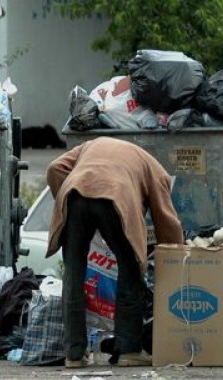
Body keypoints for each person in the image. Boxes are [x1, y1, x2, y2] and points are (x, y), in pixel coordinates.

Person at [45, 137, 183, 368]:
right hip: (115, 198)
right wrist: (176, 253)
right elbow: (165, 219)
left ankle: (74, 353)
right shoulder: (156, 170)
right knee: (130, 270)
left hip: (74, 194)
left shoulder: (92, 144)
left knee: (73, 275)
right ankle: (128, 350)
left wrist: (64, 198)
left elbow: (54, 168)